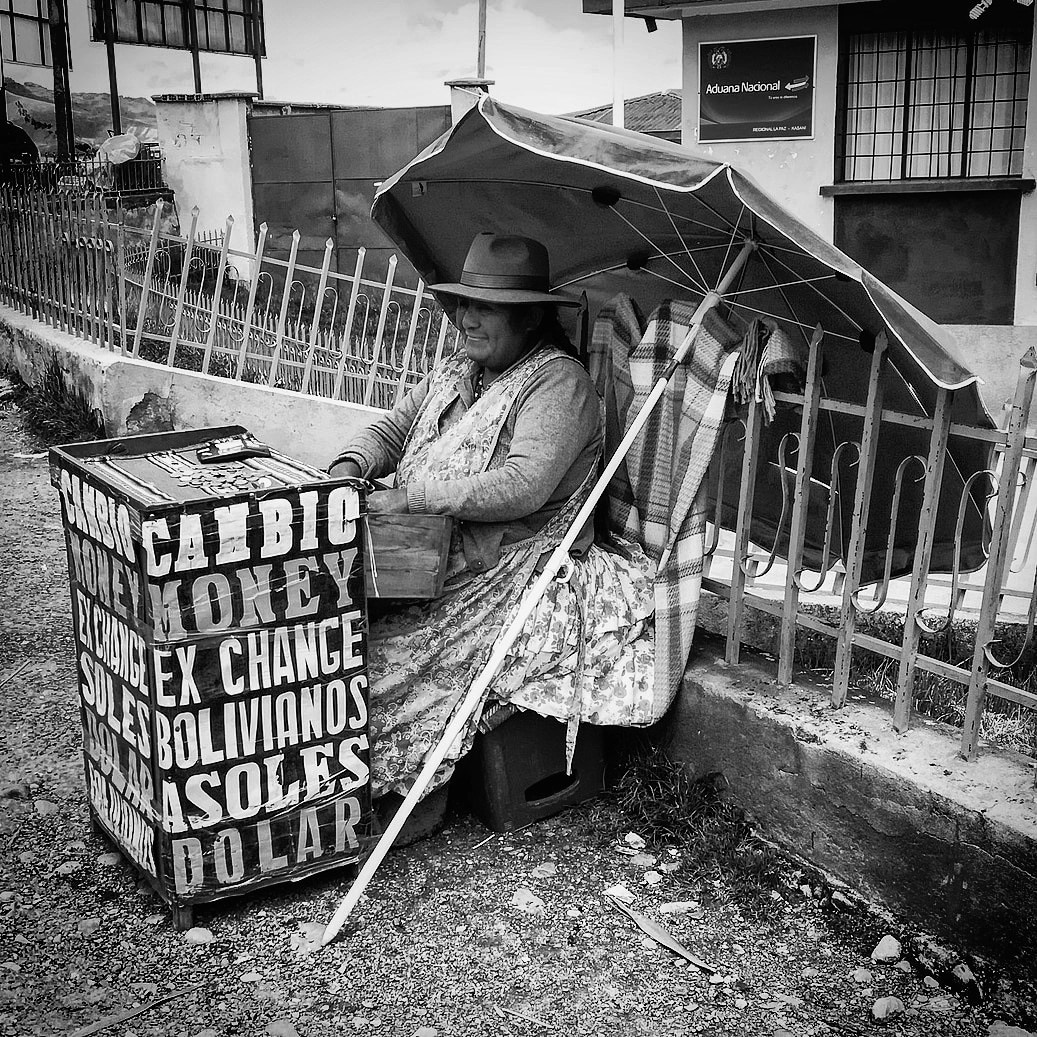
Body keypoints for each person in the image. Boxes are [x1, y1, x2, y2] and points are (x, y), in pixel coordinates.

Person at [329, 232, 655, 810]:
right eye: (462, 303)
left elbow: (521, 486)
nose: (465, 318)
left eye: (485, 308)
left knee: (380, 675)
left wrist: (415, 497)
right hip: (431, 555)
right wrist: (347, 466)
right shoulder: (457, 370)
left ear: (530, 320)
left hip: (511, 567)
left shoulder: (560, 383)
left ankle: (393, 796)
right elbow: (392, 428)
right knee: (332, 645)